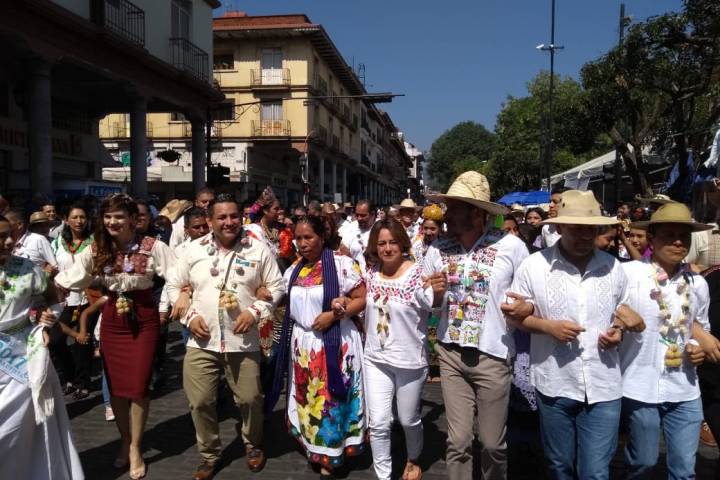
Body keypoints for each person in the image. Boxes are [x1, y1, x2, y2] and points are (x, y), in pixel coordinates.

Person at [507, 190, 644, 480]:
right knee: (560, 466)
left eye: (590, 230)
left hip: (603, 383)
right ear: (559, 227)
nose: (584, 236)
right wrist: (548, 327)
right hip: (555, 383)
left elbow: (623, 311)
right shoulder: (534, 266)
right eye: (576, 229)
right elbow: (514, 316)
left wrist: (618, 331)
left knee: (595, 472)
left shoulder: (613, 267)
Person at [55, 194, 174, 479]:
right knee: (117, 387)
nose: (112, 222)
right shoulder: (97, 248)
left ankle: (135, 447)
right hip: (112, 319)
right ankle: (125, 440)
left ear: (133, 219)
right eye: (108, 216)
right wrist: (45, 291)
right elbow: (72, 276)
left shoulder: (153, 246)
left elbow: (178, 276)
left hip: (143, 318)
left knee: (138, 386)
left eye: (119, 216)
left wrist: (174, 302)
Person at [166, 195, 285, 479]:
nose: (229, 222)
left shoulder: (257, 249)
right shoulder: (193, 249)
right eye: (221, 217)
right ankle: (209, 454)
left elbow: (277, 286)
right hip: (201, 340)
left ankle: (253, 443)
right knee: (200, 401)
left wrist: (255, 312)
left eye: (233, 216)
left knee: (250, 399)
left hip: (242, 340)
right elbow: (173, 285)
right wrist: (188, 316)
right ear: (209, 221)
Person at [423, 171, 530, 480]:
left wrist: (527, 307)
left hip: (493, 355)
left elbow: (530, 293)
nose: (445, 215)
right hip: (451, 354)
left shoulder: (511, 247)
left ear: (476, 213)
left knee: (493, 444)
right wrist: (434, 294)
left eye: (454, 208)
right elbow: (424, 299)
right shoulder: (437, 249)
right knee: (458, 441)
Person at [266, 216, 367, 479]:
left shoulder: (342, 265)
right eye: (298, 238)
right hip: (304, 346)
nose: (302, 243)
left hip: (335, 342)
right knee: (310, 398)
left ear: (322, 237)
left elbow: (361, 298)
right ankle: (315, 446)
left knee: (332, 400)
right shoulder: (294, 270)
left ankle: (333, 452)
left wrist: (333, 315)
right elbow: (282, 299)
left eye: (308, 237)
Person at [620, 203, 711, 479]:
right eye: (669, 235)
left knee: (684, 469)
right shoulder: (628, 275)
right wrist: (621, 315)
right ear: (652, 238)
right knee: (644, 461)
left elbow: (700, 327)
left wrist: (697, 348)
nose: (678, 242)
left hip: (685, 388)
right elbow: (607, 311)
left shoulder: (698, 284)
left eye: (684, 236)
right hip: (640, 386)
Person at [0, 214, 85, 479]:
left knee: (16, 430)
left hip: (21, 361)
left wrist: (45, 322)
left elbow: (53, 300)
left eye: (10, 234)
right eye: (1, 236)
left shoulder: (28, 269)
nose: (10, 241)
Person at [363, 218, 433, 480]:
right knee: (379, 423)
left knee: (407, 419)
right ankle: (383, 474)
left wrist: (437, 290)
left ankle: (413, 458)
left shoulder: (417, 274)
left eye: (393, 242)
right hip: (375, 358)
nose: (387, 248)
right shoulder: (371, 272)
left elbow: (433, 303)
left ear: (402, 243)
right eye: (381, 243)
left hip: (409, 361)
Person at [49, 203, 94, 399]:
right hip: (64, 300)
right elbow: (50, 265)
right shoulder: (57, 242)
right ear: (66, 220)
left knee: (83, 342)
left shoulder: (94, 242)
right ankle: (70, 377)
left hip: (87, 298)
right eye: (74, 217)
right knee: (56, 340)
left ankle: (83, 382)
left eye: (82, 217)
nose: (79, 221)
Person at [6, 207, 57, 273]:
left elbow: (55, 267)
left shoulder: (39, 240)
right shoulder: (6, 244)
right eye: (37, 226)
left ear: (19, 224)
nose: (43, 228)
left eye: (46, 225)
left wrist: (44, 273)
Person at [342, 199, 376, 271]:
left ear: (372, 214)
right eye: (357, 215)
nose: (359, 218)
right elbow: (343, 250)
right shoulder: (351, 227)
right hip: (354, 273)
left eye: (363, 215)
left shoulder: (380, 228)